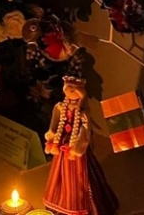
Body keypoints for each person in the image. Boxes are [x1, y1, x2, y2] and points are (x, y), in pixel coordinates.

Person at [43, 77, 119, 215]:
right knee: (60, 174)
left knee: (80, 175)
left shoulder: (83, 114)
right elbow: (55, 124)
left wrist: (77, 147)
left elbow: (85, 131)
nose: (70, 92)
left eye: (74, 90)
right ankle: (61, 201)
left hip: (76, 147)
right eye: (68, 90)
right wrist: (52, 136)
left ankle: (80, 204)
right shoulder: (60, 107)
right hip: (62, 145)